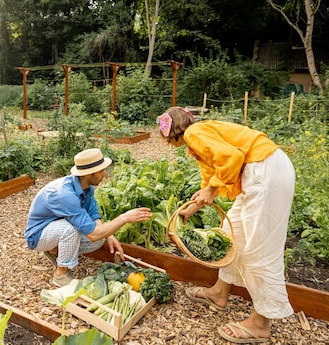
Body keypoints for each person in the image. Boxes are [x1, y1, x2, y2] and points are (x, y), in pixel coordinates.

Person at [157, 106, 295, 344]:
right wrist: (193, 207)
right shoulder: (197, 141)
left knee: (259, 249)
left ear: (173, 130)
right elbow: (210, 177)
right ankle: (219, 292)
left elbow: (232, 158)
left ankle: (261, 323)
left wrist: (211, 189)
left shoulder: (194, 133)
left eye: (165, 136)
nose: (167, 143)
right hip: (258, 171)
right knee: (233, 234)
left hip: (264, 170)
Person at [25, 148, 153, 287]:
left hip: (56, 227)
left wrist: (109, 235)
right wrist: (123, 218)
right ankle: (61, 275)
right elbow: (92, 234)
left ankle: (54, 251)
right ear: (88, 174)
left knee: (100, 238)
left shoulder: (86, 187)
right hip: (38, 235)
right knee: (71, 230)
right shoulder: (64, 194)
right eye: (101, 171)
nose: (104, 174)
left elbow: (93, 216)